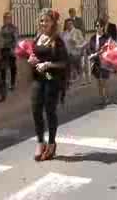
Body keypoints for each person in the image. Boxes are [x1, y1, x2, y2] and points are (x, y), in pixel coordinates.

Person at [28, 9, 68, 162]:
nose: (43, 23)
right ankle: (40, 142)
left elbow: (64, 62)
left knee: (50, 111)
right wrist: (32, 59)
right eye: (42, 20)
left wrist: (47, 64)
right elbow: (34, 55)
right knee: (36, 109)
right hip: (38, 78)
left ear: (53, 23)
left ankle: (51, 143)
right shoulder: (37, 37)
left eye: (47, 21)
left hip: (52, 78)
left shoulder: (57, 40)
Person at [88, 18, 110, 105]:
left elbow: (107, 48)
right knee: (99, 81)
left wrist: (97, 53)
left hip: (104, 61)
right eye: (97, 26)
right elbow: (90, 48)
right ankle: (102, 98)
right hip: (96, 62)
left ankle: (106, 97)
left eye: (100, 26)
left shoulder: (107, 37)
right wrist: (91, 55)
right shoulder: (93, 37)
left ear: (103, 27)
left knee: (104, 80)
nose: (98, 27)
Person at [1, 12, 19, 90]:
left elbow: (15, 39)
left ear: (10, 19)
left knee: (12, 67)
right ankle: (3, 82)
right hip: (3, 50)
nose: (6, 19)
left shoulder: (13, 28)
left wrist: (13, 49)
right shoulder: (2, 28)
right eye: (5, 18)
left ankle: (12, 84)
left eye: (8, 18)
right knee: (3, 68)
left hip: (10, 49)